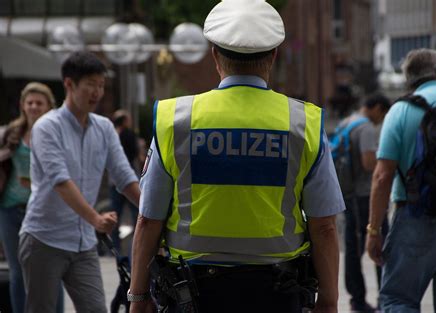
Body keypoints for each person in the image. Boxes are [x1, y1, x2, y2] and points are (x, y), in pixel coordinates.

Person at [129, 1, 345, 312]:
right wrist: (328, 300)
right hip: (276, 293)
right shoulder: (304, 122)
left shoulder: (174, 118)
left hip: (193, 294)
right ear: (272, 56)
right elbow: (324, 225)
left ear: (215, 55)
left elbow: (148, 219)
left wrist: (138, 297)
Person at [18, 51, 141, 313]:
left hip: (83, 244)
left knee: (96, 309)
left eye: (101, 85)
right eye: (90, 84)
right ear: (69, 84)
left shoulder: (105, 128)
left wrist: (153, 211)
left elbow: (124, 176)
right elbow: (60, 181)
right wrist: (95, 219)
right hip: (43, 239)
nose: (97, 92)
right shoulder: (47, 127)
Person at [366, 48, 436, 312]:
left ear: (408, 80)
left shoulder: (400, 111)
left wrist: (373, 230)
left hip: (414, 216)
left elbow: (382, 176)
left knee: (398, 298)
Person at [0, 82, 63, 313]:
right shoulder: (11, 132)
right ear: (22, 105)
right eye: (30, 102)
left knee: (49, 271)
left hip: (43, 210)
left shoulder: (57, 133)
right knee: (17, 271)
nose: (34, 107)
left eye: (39, 103)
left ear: (49, 106)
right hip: (9, 209)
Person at [337, 94, 391, 313]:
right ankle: (377, 300)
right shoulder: (366, 127)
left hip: (348, 194)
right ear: (377, 108)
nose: (382, 119)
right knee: (379, 247)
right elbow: (369, 163)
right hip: (364, 197)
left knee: (353, 249)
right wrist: (387, 155)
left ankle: (357, 299)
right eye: (383, 113)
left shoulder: (346, 122)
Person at [109, 109, 140, 254]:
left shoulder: (112, 134)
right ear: (126, 121)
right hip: (129, 179)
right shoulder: (130, 134)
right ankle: (137, 245)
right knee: (137, 213)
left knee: (115, 214)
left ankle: (115, 247)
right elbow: (135, 154)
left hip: (114, 181)